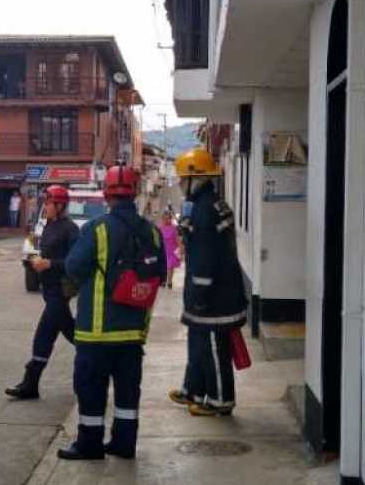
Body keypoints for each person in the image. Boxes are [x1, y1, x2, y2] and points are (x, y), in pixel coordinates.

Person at [58, 165, 166, 460]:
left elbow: (73, 267)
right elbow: (161, 273)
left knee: (91, 390)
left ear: (107, 194)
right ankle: (123, 443)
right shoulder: (153, 232)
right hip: (133, 333)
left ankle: (90, 445)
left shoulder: (98, 228)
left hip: (97, 332)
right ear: (135, 192)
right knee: (128, 393)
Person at [167, 148, 248, 417]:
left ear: (195, 178)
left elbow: (204, 256)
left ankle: (220, 399)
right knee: (197, 342)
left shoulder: (204, 210)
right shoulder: (209, 203)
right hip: (214, 292)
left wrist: (199, 294)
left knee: (213, 347)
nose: (179, 184)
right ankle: (194, 389)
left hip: (214, 297)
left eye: (182, 179)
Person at [5, 185, 80, 400]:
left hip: (60, 291)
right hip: (48, 290)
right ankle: (98, 359)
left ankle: (30, 383)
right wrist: (34, 262)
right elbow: (43, 253)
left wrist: (49, 264)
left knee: (43, 336)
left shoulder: (70, 229)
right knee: (74, 334)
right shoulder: (48, 227)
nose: (44, 207)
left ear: (59, 205)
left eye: (48, 203)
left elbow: (74, 262)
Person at [158, 210, 182, 288]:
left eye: (168, 219)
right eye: (165, 219)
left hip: (172, 251)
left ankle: (169, 281)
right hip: (163, 251)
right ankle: (164, 280)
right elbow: (158, 240)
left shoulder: (174, 228)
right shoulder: (160, 228)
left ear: (170, 219)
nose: (166, 220)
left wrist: (180, 248)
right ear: (162, 219)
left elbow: (177, 239)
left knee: (170, 267)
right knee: (165, 267)